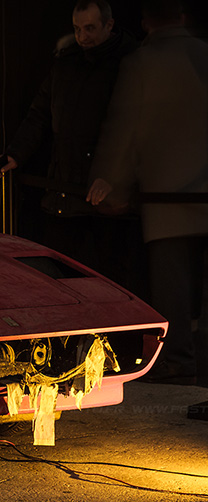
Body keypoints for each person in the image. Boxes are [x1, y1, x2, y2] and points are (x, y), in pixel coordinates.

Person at [87, 0, 208, 385]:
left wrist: (111, 183)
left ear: (145, 22)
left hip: (166, 196)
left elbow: (124, 129)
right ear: (183, 15)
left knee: (173, 286)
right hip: (204, 193)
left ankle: (180, 363)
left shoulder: (142, 63)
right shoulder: (205, 55)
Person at [0, 0, 139, 289]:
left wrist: (116, 178)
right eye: (77, 29)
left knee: (108, 284)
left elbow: (135, 129)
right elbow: (39, 115)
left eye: (90, 28)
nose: (83, 36)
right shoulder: (67, 64)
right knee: (61, 281)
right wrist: (16, 154)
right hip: (65, 194)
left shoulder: (129, 65)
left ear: (109, 25)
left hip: (105, 202)